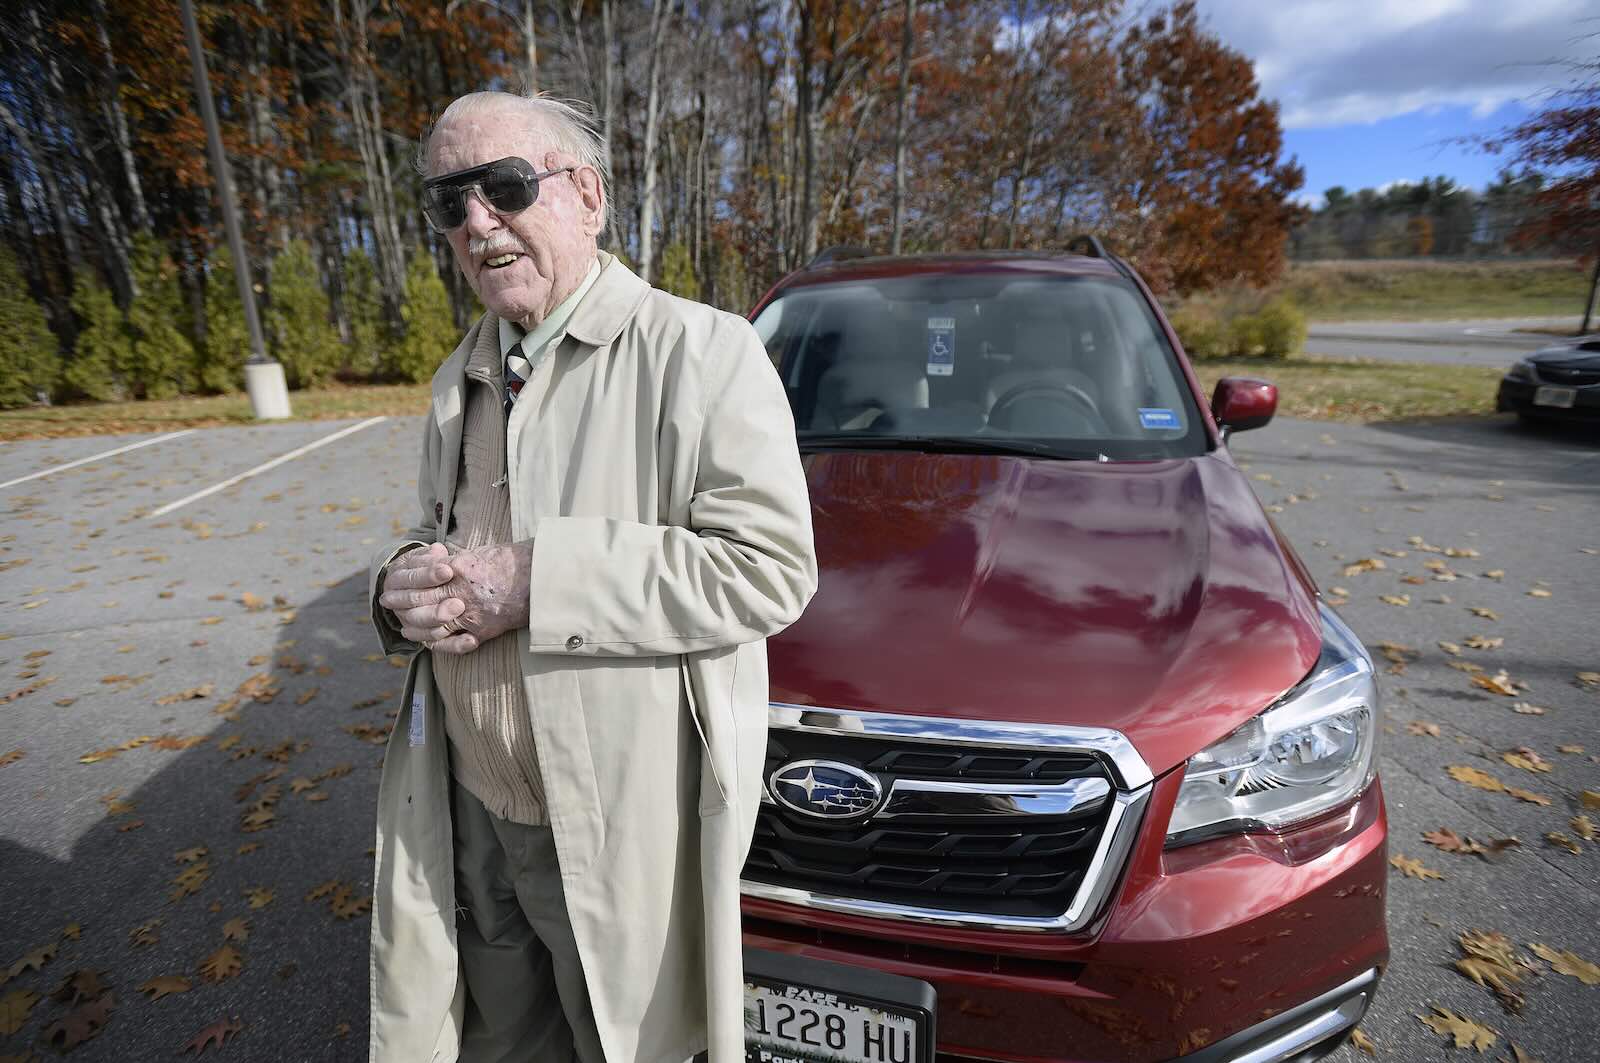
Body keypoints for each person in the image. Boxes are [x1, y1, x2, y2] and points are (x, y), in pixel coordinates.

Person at [366, 91, 817, 1063]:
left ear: (588, 195)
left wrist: (539, 582)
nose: (477, 220)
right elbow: (443, 535)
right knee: (498, 1046)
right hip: (470, 812)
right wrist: (399, 586)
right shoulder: (459, 377)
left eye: (504, 186)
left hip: (609, 836)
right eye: (449, 201)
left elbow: (768, 569)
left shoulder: (702, 352)